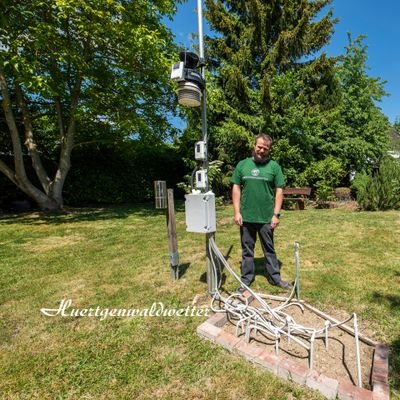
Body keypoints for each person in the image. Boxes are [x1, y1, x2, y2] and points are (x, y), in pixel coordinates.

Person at [231, 133, 292, 292]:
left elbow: (279, 191)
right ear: (254, 146)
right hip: (246, 217)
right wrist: (237, 212)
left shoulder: (274, 167)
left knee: (269, 249)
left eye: (265, 148)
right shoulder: (242, 165)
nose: (262, 150)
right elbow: (236, 188)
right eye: (259, 147)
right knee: (247, 250)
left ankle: (275, 278)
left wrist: (276, 214)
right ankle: (246, 280)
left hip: (266, 217)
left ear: (269, 150)